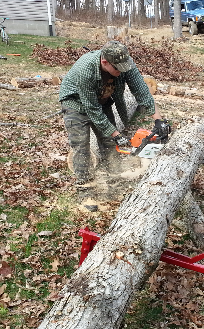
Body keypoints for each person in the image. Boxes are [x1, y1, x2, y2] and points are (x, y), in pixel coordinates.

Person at [59, 40, 163, 209]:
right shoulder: (85, 69)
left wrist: (158, 119)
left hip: (102, 101)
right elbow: (91, 109)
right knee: (81, 145)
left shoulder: (124, 63)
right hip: (76, 104)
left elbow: (141, 90)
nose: (122, 71)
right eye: (117, 69)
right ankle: (86, 192)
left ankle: (113, 182)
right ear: (104, 62)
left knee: (109, 143)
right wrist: (116, 133)